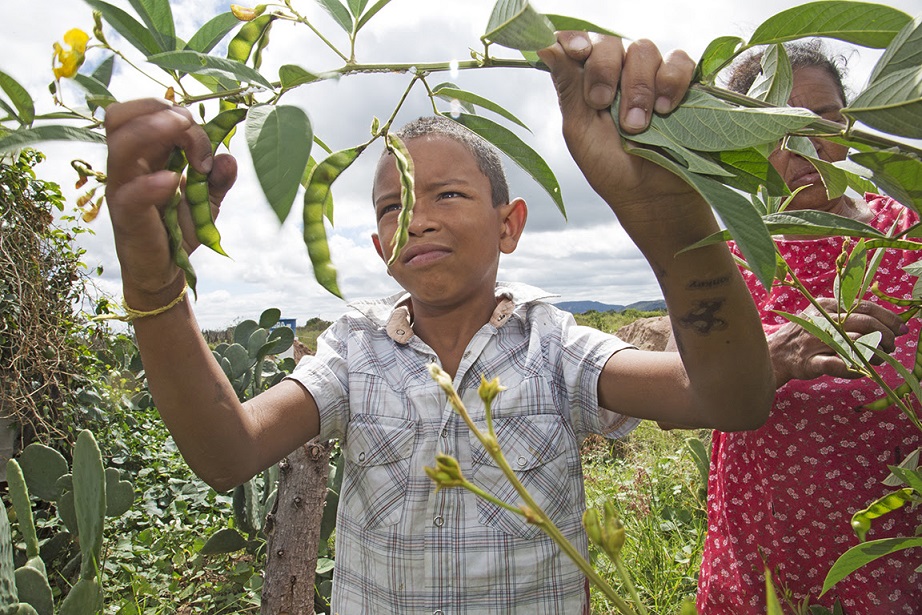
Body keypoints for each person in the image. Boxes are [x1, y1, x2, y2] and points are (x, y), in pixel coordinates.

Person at [103, 32, 775, 613]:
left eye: (448, 194)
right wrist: (155, 286)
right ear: (377, 247)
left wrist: (669, 219)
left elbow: (729, 397)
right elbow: (228, 452)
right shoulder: (353, 351)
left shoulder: (554, 345)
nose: (416, 218)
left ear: (509, 224)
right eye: (392, 206)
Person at [696, 41, 922, 614]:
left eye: (822, 118)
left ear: (851, 125)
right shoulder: (729, 259)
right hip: (756, 562)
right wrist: (772, 358)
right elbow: (683, 394)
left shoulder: (907, 236)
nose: (805, 143)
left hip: (889, 564)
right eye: (778, 126)